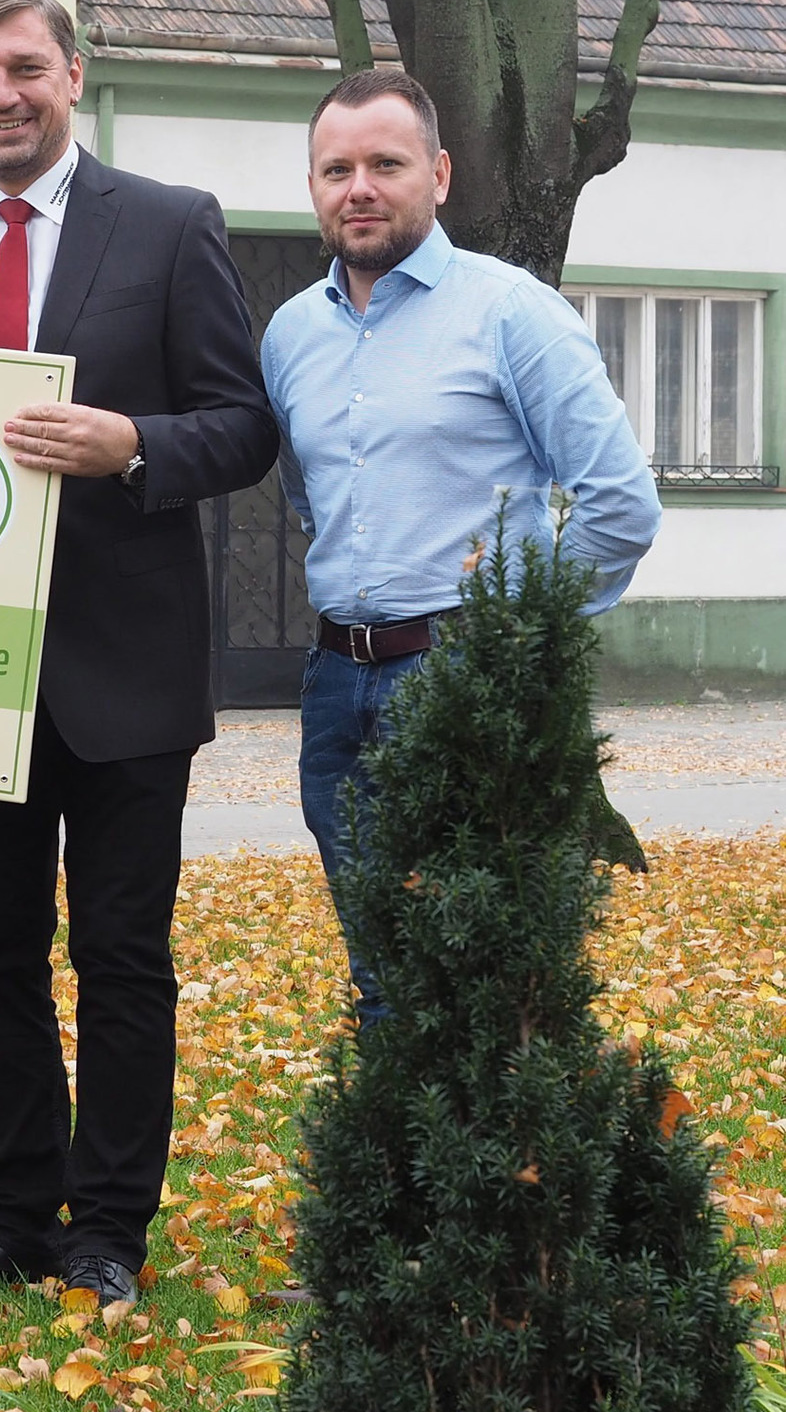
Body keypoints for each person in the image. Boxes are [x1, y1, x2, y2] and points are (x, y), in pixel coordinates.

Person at [0, 0, 278, 1307]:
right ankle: (12, 1219)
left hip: (124, 666)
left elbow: (242, 426)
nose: (1, 94)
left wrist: (131, 444)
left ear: (71, 77)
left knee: (120, 960)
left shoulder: (166, 224)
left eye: (24, 69)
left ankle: (107, 1230)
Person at [263, 66, 662, 1024]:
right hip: (336, 687)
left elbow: (620, 505)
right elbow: (308, 492)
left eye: (386, 165)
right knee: (381, 976)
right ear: (314, 187)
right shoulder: (289, 335)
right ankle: (395, 1126)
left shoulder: (511, 312)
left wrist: (510, 633)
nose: (359, 188)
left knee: (485, 983)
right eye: (336, 170)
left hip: (464, 676)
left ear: (438, 175)